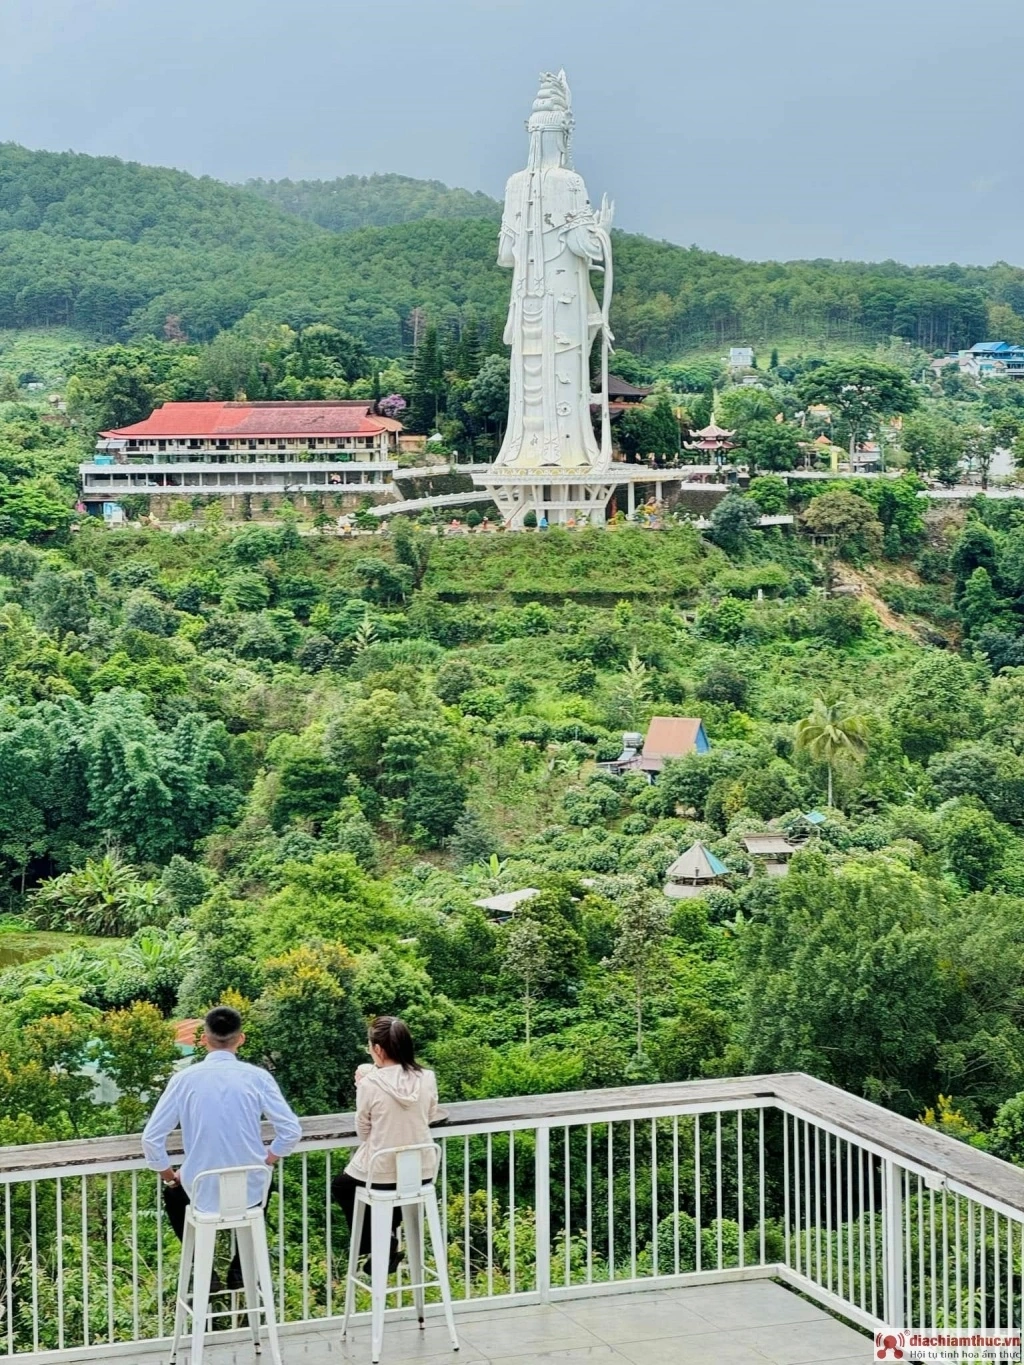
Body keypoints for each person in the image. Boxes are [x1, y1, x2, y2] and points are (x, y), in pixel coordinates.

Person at [142, 1004, 301, 1289]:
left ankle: (201, 1268)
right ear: (241, 1038)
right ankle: (241, 1269)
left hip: (199, 1190)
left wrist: (169, 1177)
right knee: (262, 1188)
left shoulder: (184, 1080)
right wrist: (268, 1160)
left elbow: (151, 1138)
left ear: (203, 1038)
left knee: (174, 1194)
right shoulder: (258, 1078)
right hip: (249, 1190)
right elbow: (290, 1130)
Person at [331, 1016, 445, 1272]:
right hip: (421, 1172)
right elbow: (429, 1115)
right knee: (397, 1194)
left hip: (381, 1170)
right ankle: (388, 1240)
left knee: (342, 1186)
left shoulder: (369, 1083)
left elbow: (362, 1130)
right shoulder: (427, 1077)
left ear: (378, 1049)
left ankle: (376, 1245)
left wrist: (362, 1085)